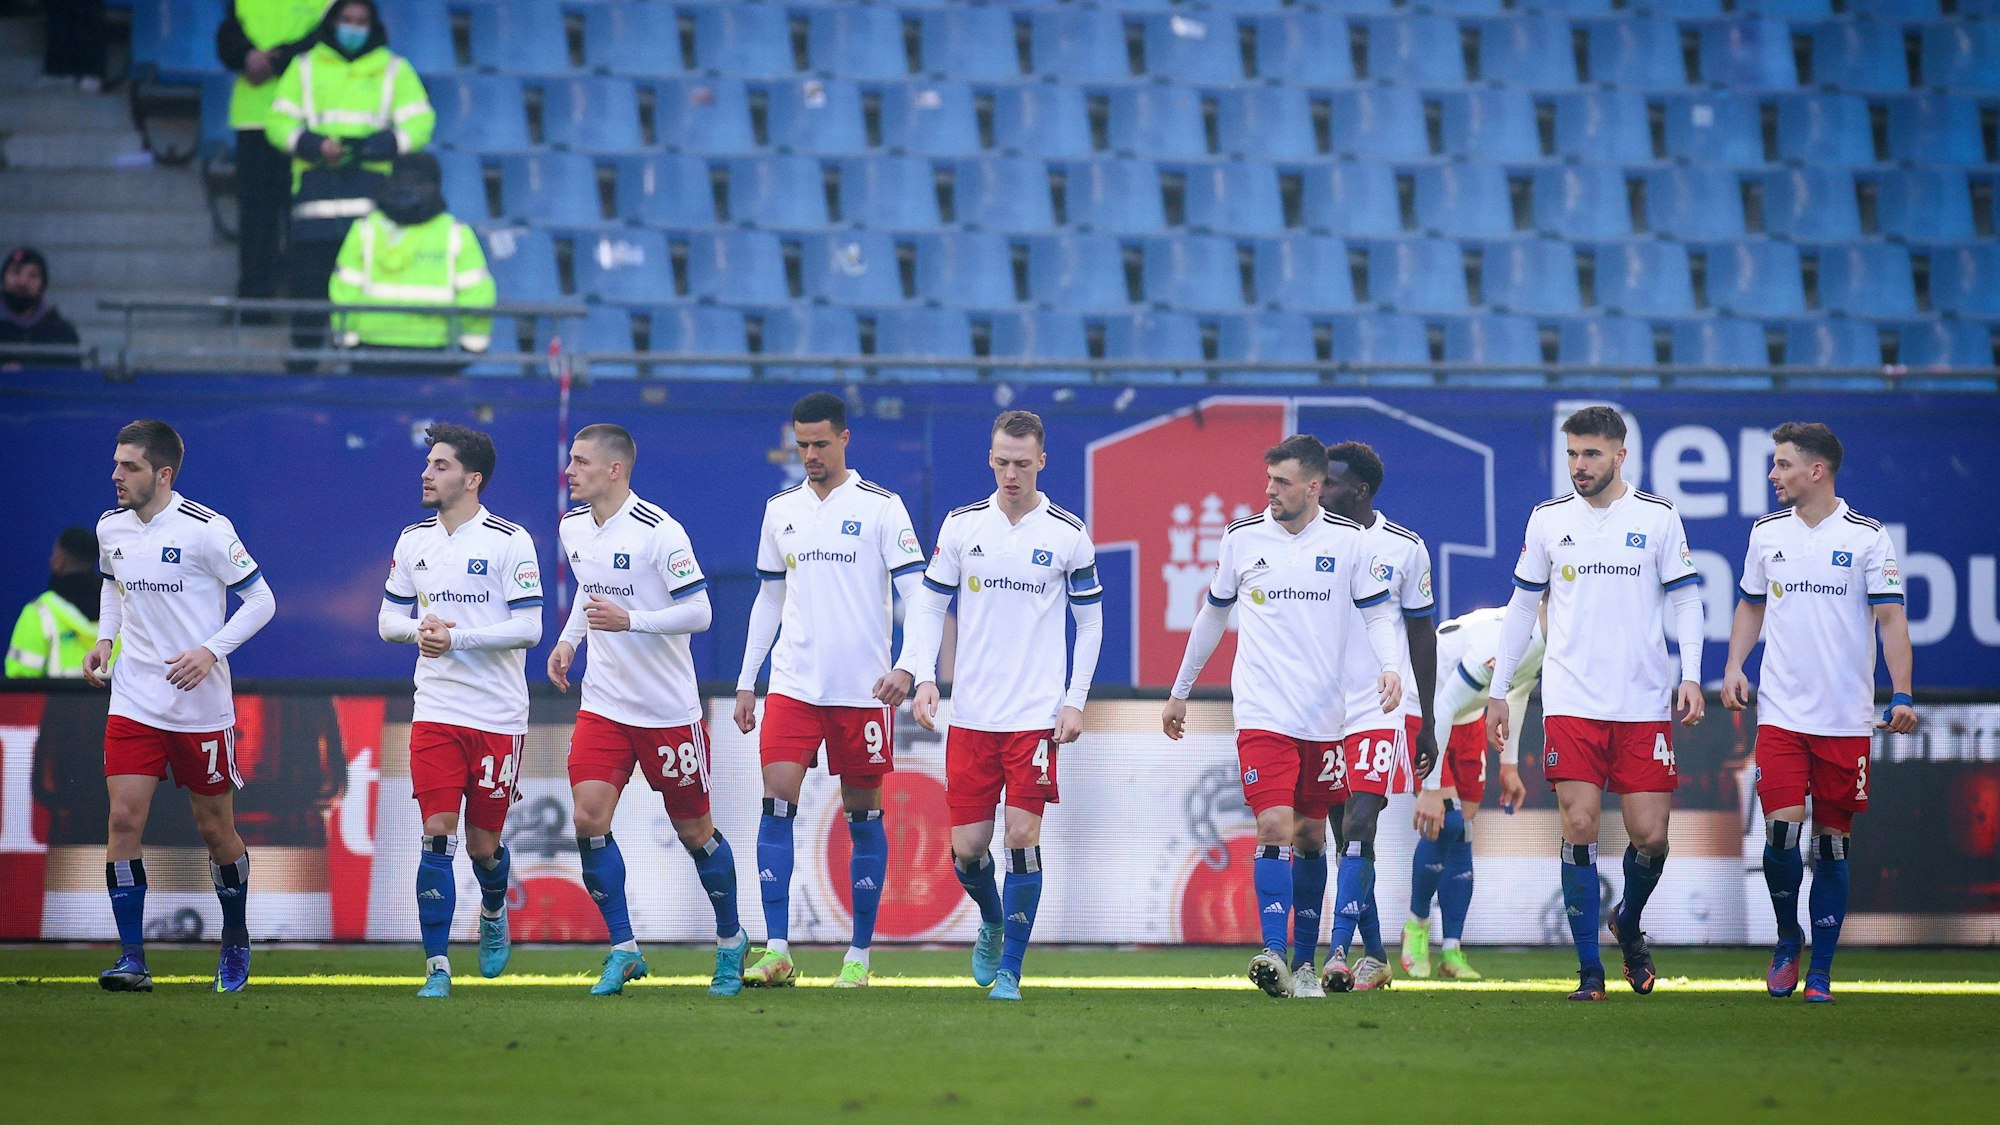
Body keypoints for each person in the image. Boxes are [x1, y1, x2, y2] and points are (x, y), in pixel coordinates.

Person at [1162, 434, 1403, 999]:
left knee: (1313, 837)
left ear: (1314, 487)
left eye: (1282, 482)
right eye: (1268, 480)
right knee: (1272, 826)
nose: (1269, 491)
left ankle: (1301, 963)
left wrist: (1389, 667)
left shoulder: (1349, 543)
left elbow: (1378, 616)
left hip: (1325, 719)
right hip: (1262, 711)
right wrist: (1180, 691)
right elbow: (1211, 617)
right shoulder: (1243, 539)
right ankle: (1271, 950)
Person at [1487, 406, 1705, 1001]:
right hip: (1571, 700)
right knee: (1579, 825)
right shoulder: (1548, 520)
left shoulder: (1658, 518)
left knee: (1650, 836)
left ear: (1620, 456)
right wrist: (1502, 690)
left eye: (1591, 454)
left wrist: (1691, 674)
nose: (1579, 466)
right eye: (1572, 455)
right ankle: (1589, 972)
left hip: (1641, 703)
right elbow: (1522, 608)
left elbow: (1686, 600)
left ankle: (1628, 920)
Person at [888, 410, 1104, 1001]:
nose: (1011, 473)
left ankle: (1011, 967)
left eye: (1022, 462)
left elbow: (1090, 625)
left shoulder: (1067, 533)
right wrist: (925, 677)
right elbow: (930, 606)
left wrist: (1074, 701)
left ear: (1042, 461)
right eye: (1002, 462)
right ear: (990, 460)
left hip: (1035, 718)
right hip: (974, 715)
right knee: (968, 851)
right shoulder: (962, 527)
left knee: (1021, 835)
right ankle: (992, 918)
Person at [734, 392, 929, 988]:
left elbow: (918, 594)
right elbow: (769, 597)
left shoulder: (882, 507)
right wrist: (748, 680)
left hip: (863, 692)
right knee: (776, 801)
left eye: (821, 443)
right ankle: (776, 950)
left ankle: (859, 956)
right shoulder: (780, 510)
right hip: (793, 685)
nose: (811, 454)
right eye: (802, 445)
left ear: (846, 440)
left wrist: (910, 666)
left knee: (862, 815)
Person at [546, 423, 747, 998]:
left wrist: (633, 621)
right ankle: (624, 949)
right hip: (604, 706)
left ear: (614, 470)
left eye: (581, 462)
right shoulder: (572, 527)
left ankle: (731, 941)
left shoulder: (661, 532)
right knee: (587, 820)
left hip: (667, 712)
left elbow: (701, 612)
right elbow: (590, 595)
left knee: (695, 832)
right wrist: (570, 640)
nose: (570, 471)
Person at [1722, 422, 1917, 1005]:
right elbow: (1750, 605)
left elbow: (1890, 621)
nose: (1772, 475)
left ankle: (1822, 974)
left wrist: (1901, 694)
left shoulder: (1867, 538)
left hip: (1845, 720)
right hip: (1781, 714)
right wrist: (1735, 664)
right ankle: (1788, 939)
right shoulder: (1765, 534)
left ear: (1816, 471)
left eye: (1782, 465)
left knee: (1832, 845)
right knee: (1782, 833)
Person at [86, 420, 277, 993]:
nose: (116, 475)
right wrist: (104, 640)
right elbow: (111, 586)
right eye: (117, 463)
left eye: (130, 466)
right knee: (123, 819)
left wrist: (209, 652)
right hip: (135, 696)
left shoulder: (207, 530)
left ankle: (235, 938)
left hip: (200, 706)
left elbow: (261, 600)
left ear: (163, 474)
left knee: (215, 830)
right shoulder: (110, 527)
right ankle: (131, 958)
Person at [377, 422, 543, 998]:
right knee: (436, 833)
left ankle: (494, 907)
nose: (427, 473)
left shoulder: (509, 541)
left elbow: (530, 627)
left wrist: (458, 637)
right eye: (428, 463)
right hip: (437, 710)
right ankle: (438, 968)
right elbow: (387, 619)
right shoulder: (412, 541)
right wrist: (417, 631)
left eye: (441, 465)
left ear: (472, 479)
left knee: (482, 847)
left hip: (497, 717)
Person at [1312, 441, 1439, 993]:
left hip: (1384, 706)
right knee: (1344, 836)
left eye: (1331, 482)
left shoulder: (1404, 549)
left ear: (1360, 491)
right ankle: (1378, 956)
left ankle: (1337, 952)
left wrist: (1428, 719)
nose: (1320, 490)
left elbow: (1420, 635)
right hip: (1324, 708)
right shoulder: (1306, 541)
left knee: (1362, 823)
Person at [265, 0, 433, 362]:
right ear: (332, 22)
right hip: (314, 199)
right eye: (346, 20)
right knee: (309, 291)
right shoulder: (304, 67)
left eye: (361, 21)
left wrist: (377, 146)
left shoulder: (394, 69)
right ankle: (304, 367)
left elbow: (420, 123)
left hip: (371, 202)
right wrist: (315, 145)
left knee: (364, 293)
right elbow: (278, 124)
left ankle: (355, 365)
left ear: (373, 26)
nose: (353, 27)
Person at [1402, 604, 1545, 982]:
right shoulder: (1506, 639)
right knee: (1444, 823)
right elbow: (1443, 703)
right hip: (1424, 711)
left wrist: (1510, 766)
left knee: (1463, 831)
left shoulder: (1546, 644)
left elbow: (1516, 694)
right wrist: (1430, 786)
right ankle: (1415, 929)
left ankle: (1451, 949)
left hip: (1468, 716)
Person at [329, 152, 494, 373]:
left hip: (371, 351)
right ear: (437, 185)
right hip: (435, 353)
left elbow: (343, 292)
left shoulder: (365, 229)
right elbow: (478, 299)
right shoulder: (456, 232)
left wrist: (346, 343)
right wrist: (473, 347)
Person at [217, 1, 334, 304]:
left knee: (306, 219)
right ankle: (256, 302)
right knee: (257, 220)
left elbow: (329, 36)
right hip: (256, 120)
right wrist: (244, 55)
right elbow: (229, 31)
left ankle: (305, 304)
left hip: (308, 122)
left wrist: (271, 62)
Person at [7, 527, 113, 678]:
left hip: (56, 702)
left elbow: (20, 685)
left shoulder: (39, 612)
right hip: (116, 701)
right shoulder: (120, 609)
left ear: (58, 560)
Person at [0, 247, 83, 369]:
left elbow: (70, 379)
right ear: (2, 280)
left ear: (43, 286)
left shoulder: (62, 334)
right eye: (16, 272)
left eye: (32, 275)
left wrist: (27, 369)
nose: (22, 281)